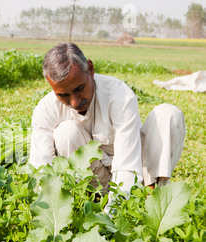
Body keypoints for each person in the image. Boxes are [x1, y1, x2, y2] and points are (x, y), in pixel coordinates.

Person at [29, 43, 186, 196]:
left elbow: (127, 165)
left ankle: (153, 197)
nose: (75, 102)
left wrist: (115, 211)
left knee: (169, 113)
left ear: (90, 69)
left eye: (79, 89)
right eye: (63, 95)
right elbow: (41, 169)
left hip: (137, 175)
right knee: (66, 132)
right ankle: (88, 199)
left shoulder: (119, 96)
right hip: (94, 183)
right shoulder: (46, 110)